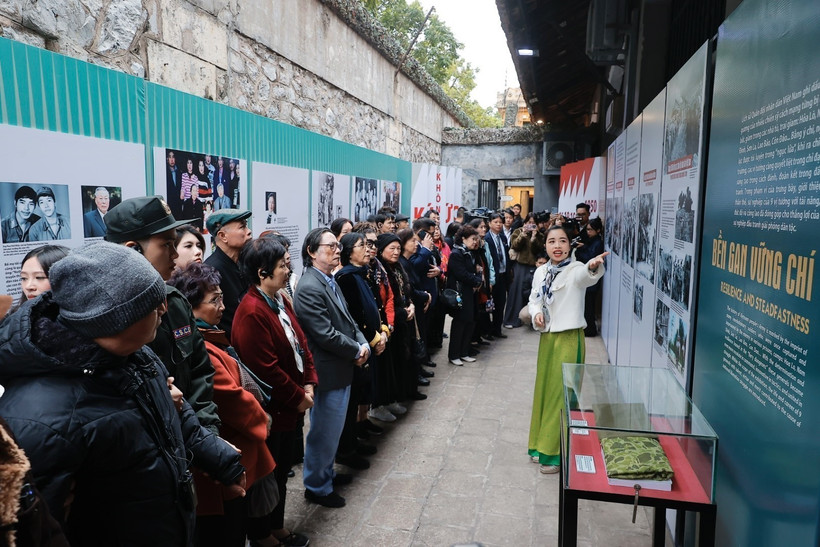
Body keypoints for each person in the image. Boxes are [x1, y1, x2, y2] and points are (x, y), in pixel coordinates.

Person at [0, 242, 246, 545]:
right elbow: (37, 531)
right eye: (151, 304)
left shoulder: (136, 355)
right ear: (113, 320)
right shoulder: (40, 418)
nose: (163, 309)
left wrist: (216, 455)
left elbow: (167, 411)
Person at [168, 262, 279, 547]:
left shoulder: (211, 338)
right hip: (223, 454)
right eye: (214, 299)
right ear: (189, 308)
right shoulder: (202, 346)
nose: (222, 305)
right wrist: (262, 418)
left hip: (230, 450)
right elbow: (230, 398)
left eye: (221, 297)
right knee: (226, 528)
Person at [105, 195, 222, 434]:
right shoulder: (100, 314)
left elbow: (200, 369)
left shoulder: (175, 302)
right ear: (133, 249)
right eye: (166, 245)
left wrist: (207, 434)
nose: (175, 255)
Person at [232, 238, 317, 547]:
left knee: (281, 471)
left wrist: (308, 381)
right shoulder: (252, 311)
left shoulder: (278, 298)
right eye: (282, 266)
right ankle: (261, 534)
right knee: (268, 474)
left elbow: (301, 342)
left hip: (292, 404)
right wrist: (298, 397)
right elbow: (266, 370)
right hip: (276, 409)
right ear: (262, 272)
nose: (288, 269)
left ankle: (277, 526)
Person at [293, 228, 369, 509]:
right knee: (323, 433)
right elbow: (324, 334)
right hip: (328, 371)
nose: (338, 250)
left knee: (332, 431)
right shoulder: (310, 286)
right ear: (312, 252)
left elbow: (348, 321)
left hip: (341, 367)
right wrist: (356, 350)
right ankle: (316, 487)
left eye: (338, 246)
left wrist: (363, 344)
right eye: (331, 246)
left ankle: (325, 475)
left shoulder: (329, 279)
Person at [527, 225, 607, 474]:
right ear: (546, 246)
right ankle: (539, 446)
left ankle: (553, 454)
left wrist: (592, 266)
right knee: (543, 391)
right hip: (548, 340)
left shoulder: (574, 270)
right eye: (552, 241)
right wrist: (537, 313)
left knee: (560, 395)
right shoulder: (541, 271)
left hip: (569, 339)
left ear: (570, 245)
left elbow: (585, 276)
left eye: (563, 241)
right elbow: (534, 300)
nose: (557, 246)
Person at [334, 232, 387, 470]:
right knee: (350, 402)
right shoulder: (346, 278)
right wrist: (374, 339)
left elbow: (374, 307)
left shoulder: (361, 274)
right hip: (356, 349)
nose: (368, 249)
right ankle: (346, 450)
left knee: (358, 398)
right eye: (361, 245)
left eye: (367, 245)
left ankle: (353, 441)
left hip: (368, 345)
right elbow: (353, 318)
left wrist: (383, 331)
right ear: (347, 251)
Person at [204, 209, 253, 340]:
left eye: (246, 225)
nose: (249, 231)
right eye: (242, 227)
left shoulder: (245, 262)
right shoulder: (211, 270)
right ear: (222, 236)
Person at [446, 225, 484, 366]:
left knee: (470, 322)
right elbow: (461, 274)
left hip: (470, 292)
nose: (475, 242)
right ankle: (454, 355)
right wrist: (477, 279)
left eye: (477, 239)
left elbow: (475, 269)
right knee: (460, 324)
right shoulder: (456, 253)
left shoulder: (469, 253)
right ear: (463, 239)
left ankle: (464, 352)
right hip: (460, 293)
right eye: (473, 239)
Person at [504, 213, 544, 329]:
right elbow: (515, 246)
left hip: (534, 266)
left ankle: (532, 321)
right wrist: (523, 234)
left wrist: (534, 238)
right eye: (528, 223)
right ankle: (512, 319)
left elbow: (539, 249)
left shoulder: (540, 235)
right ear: (524, 223)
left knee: (533, 293)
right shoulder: (517, 231)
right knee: (515, 293)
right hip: (520, 266)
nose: (530, 225)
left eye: (533, 223)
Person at [9, 244, 70, 315]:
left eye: (39, 277)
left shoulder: (80, 323)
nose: (28, 287)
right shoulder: (12, 320)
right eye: (24, 278)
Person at [574, 217, 605, 336]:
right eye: (587, 229)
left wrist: (582, 249)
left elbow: (590, 258)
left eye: (591, 230)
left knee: (589, 306)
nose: (588, 232)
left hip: (593, 278)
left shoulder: (598, 243)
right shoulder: (590, 240)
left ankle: (590, 329)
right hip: (588, 277)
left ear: (598, 230)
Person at [485, 212, 509, 339]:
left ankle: (497, 329)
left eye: (500, 222)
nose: (499, 224)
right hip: (492, 276)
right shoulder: (487, 238)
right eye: (496, 222)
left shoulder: (503, 237)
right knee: (490, 305)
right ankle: (488, 330)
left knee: (500, 303)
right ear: (489, 223)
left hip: (503, 274)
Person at [167, 150, 182, 216]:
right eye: (170, 157)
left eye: (173, 157)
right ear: (167, 159)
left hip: (178, 205)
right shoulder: (165, 172)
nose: (172, 159)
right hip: (169, 205)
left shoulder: (179, 172)